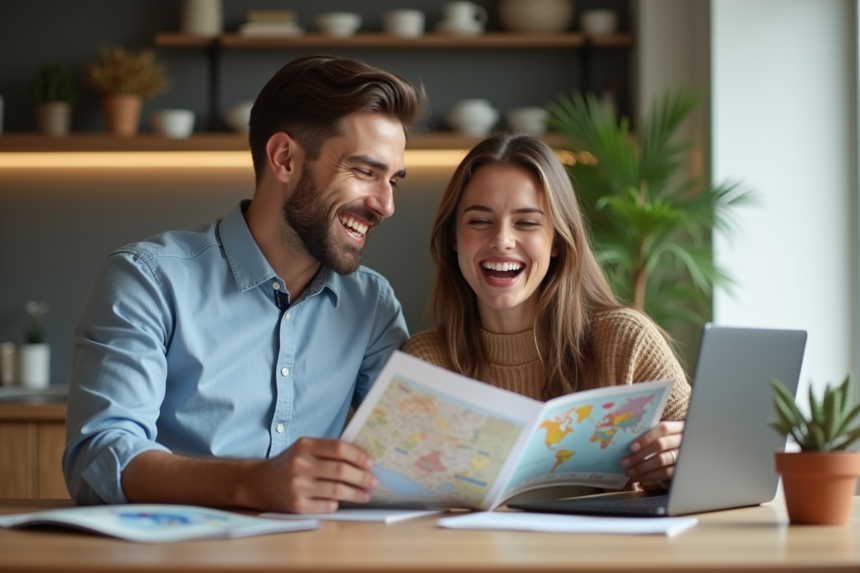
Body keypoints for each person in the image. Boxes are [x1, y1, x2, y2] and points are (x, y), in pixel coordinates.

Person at [63, 55, 427, 513]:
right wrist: (254, 484)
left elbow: (416, 457)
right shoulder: (148, 279)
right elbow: (98, 457)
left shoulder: (371, 305)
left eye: (394, 180)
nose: (386, 204)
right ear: (285, 159)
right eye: (364, 172)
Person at [402, 133, 692, 490]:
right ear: (453, 238)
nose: (502, 239)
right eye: (479, 221)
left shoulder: (625, 341)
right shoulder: (426, 364)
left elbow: (719, 459)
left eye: (526, 222)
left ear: (557, 240)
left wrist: (682, 460)